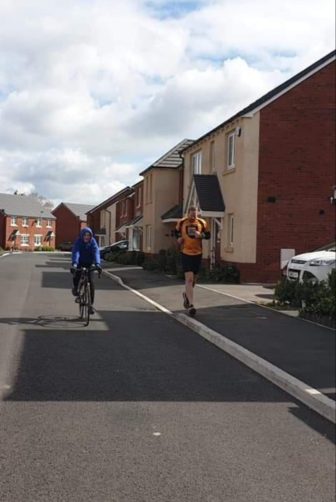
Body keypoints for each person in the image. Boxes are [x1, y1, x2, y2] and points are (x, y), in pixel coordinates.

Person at [175, 207, 210, 315]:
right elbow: (176, 233)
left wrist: (201, 235)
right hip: (186, 253)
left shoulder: (202, 223)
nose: (193, 217)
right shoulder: (181, 223)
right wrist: (179, 239)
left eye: (195, 215)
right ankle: (191, 305)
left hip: (198, 253)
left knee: (194, 280)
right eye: (191, 215)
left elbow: (208, 235)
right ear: (188, 214)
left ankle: (186, 295)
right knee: (189, 279)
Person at [71, 227, 102, 314]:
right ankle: (76, 289)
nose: (87, 237)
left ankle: (90, 305)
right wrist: (75, 263)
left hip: (90, 263)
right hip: (80, 262)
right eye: (85, 235)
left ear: (91, 236)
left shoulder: (93, 242)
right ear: (82, 235)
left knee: (91, 282)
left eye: (88, 235)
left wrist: (97, 264)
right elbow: (76, 252)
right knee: (76, 274)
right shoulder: (78, 241)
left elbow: (96, 252)